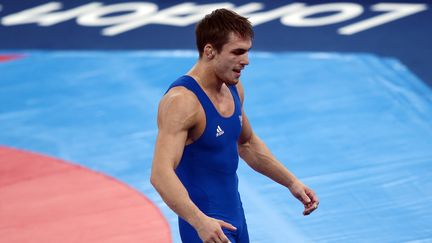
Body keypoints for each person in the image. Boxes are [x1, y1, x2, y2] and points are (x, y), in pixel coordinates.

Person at [150, 8, 319, 243]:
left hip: (235, 218)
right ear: (210, 51)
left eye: (247, 51)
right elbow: (160, 174)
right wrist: (199, 221)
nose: (246, 61)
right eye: (237, 52)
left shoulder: (233, 88)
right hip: (208, 227)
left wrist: (291, 182)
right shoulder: (183, 102)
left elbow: (247, 143)